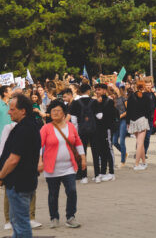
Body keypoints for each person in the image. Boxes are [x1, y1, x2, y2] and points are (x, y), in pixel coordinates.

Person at [39, 100, 85, 228]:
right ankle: (54, 217)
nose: (55, 113)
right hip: (51, 168)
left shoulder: (70, 127)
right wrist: (39, 161)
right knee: (53, 194)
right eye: (53, 111)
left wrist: (83, 158)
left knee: (71, 191)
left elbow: (78, 142)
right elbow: (39, 145)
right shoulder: (46, 128)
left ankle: (70, 217)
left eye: (58, 110)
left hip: (69, 167)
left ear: (64, 113)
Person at [0, 94, 41, 237]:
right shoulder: (26, 126)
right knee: (16, 223)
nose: (8, 112)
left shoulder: (25, 128)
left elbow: (13, 159)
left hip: (19, 184)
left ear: (23, 110)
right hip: (20, 183)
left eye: (12, 109)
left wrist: (0, 175)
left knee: (21, 224)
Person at [68, 83, 97, 184]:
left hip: (81, 130)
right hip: (93, 130)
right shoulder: (94, 101)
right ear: (89, 91)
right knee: (95, 152)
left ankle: (84, 176)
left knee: (82, 153)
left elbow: (74, 119)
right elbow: (100, 116)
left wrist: (76, 132)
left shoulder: (76, 103)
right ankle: (97, 175)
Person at [94, 84, 116, 181]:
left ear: (104, 90)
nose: (97, 92)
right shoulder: (96, 102)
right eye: (96, 90)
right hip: (98, 130)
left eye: (99, 90)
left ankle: (111, 172)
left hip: (107, 129)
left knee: (108, 149)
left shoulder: (109, 101)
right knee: (101, 151)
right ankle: (103, 172)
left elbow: (107, 116)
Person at [126, 81, 151, 170]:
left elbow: (128, 111)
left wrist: (128, 122)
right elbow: (149, 110)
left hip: (133, 121)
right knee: (140, 143)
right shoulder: (146, 97)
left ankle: (144, 162)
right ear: (143, 87)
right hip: (142, 120)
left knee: (140, 143)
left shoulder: (131, 97)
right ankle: (136, 164)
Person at [112, 86, 128, 168]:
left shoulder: (123, 99)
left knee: (122, 141)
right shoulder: (113, 99)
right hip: (116, 122)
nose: (114, 91)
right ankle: (124, 153)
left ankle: (122, 161)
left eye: (115, 89)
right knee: (114, 141)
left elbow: (128, 110)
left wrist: (121, 116)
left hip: (123, 121)